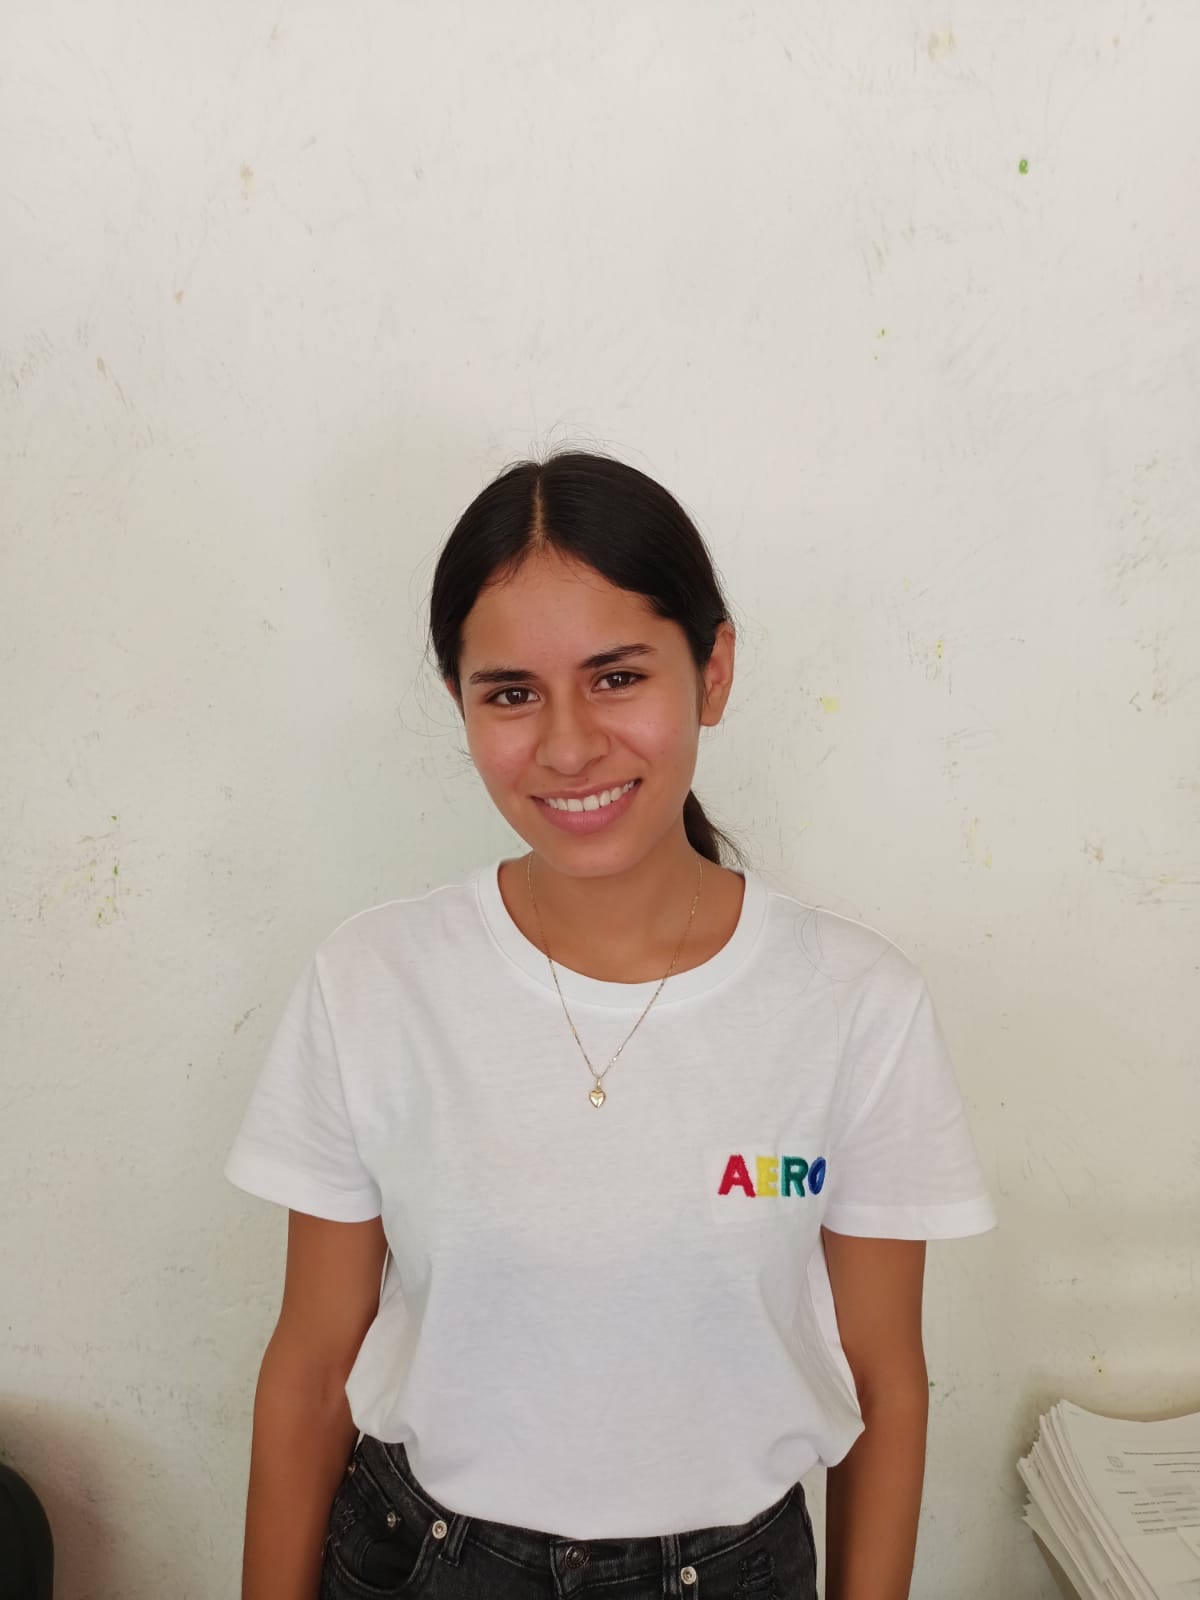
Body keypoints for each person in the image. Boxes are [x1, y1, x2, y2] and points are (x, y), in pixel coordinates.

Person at [226, 450, 997, 1600]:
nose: (569, 744)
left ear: (713, 670)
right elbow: (311, 1361)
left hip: (733, 1571)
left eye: (618, 676)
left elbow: (884, 1379)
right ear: (459, 700)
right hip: (420, 1562)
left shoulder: (856, 1006)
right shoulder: (372, 981)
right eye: (511, 692)